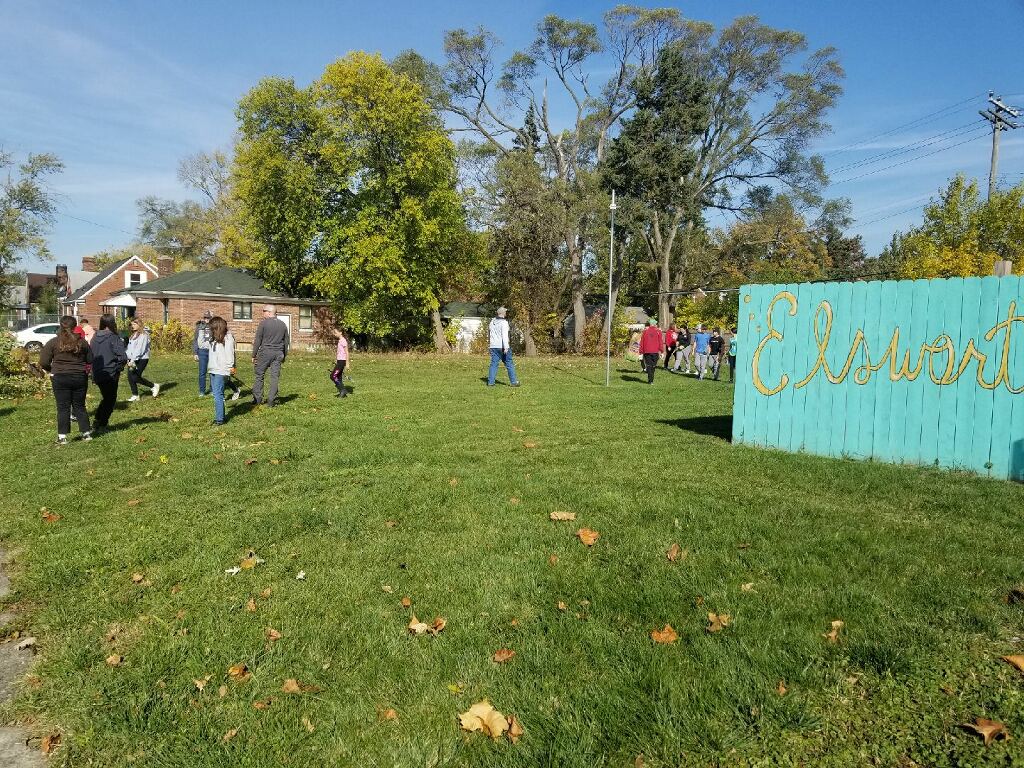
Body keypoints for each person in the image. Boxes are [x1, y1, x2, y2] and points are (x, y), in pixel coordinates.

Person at [39, 316, 93, 445]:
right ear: (75, 326)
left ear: (60, 325)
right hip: (79, 376)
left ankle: (62, 437)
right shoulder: (82, 342)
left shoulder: (54, 342)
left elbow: (43, 361)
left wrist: (52, 369)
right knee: (79, 406)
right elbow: (90, 359)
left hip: (60, 377)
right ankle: (86, 433)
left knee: (63, 407)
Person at [90, 314, 128, 431]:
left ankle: (97, 419)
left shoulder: (95, 337)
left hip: (97, 371)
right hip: (110, 372)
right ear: (112, 323)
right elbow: (123, 357)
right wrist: (118, 368)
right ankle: (102, 424)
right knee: (110, 399)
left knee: (106, 397)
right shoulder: (113, 337)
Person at [252, 305, 289, 406]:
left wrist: (254, 355)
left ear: (269, 312)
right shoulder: (283, 325)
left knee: (259, 375)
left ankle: (258, 399)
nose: (262, 313)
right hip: (278, 354)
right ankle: (272, 401)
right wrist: (284, 355)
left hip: (265, 353)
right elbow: (286, 342)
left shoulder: (263, 323)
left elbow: (258, 339)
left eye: (264, 311)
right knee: (274, 377)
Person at [207, 316, 235, 426]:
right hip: (213, 369)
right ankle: (220, 416)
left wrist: (230, 367)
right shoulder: (213, 338)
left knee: (218, 394)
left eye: (212, 328)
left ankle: (220, 419)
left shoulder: (228, 338)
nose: (210, 330)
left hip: (221, 371)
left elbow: (230, 355)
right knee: (216, 394)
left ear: (217, 327)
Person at [125, 318, 160, 401]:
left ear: (139, 324)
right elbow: (130, 348)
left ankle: (153, 386)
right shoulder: (134, 334)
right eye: (132, 324)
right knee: (130, 377)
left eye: (134, 324)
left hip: (141, 359)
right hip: (132, 359)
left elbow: (140, 349)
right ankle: (135, 395)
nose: (132, 326)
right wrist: (127, 358)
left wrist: (133, 360)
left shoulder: (144, 335)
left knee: (135, 377)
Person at [486, 306, 520, 387]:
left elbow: (490, 334)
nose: (506, 313)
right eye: (505, 312)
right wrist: (506, 347)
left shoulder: (492, 322)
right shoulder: (504, 323)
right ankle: (514, 382)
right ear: (503, 313)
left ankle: (490, 382)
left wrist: (490, 345)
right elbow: (504, 335)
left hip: (493, 346)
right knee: (509, 364)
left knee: (493, 364)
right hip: (502, 346)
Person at [193, 309, 213, 396]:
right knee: (202, 372)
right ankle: (202, 391)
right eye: (205, 317)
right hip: (202, 352)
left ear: (211, 318)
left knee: (212, 371)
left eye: (208, 318)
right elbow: (195, 340)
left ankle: (212, 389)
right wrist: (195, 353)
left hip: (212, 351)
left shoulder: (214, 326)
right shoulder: (199, 326)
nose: (207, 319)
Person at [639, 317, 664, 385]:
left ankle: (650, 380)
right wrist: (662, 351)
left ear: (650, 324)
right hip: (655, 351)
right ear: (655, 324)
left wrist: (641, 352)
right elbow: (660, 342)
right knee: (653, 366)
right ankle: (651, 379)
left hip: (647, 351)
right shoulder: (658, 331)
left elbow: (642, 342)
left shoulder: (645, 331)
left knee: (649, 366)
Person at [330, 327, 350, 398]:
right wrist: (337, 360)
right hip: (339, 361)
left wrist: (347, 363)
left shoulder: (343, 341)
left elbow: (347, 352)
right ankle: (342, 391)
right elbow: (340, 352)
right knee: (338, 377)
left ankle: (342, 390)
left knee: (333, 376)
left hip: (342, 361)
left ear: (340, 332)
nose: (334, 334)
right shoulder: (340, 340)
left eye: (335, 332)